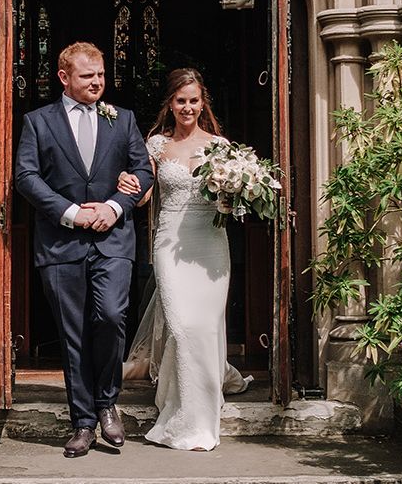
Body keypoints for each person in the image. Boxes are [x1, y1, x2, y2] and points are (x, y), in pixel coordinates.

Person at [15, 41, 154, 458]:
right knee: (72, 333)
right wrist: (73, 213)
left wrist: (115, 206)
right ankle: (83, 422)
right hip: (61, 242)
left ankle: (108, 402)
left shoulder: (123, 119)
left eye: (100, 75)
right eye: (87, 76)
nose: (97, 82)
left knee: (111, 317)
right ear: (64, 78)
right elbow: (26, 176)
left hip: (113, 241)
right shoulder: (38, 122)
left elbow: (144, 171)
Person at [117, 67, 252, 451]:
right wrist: (130, 185)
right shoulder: (156, 145)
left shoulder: (221, 146)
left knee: (205, 327)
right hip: (170, 242)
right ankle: (183, 413)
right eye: (181, 101)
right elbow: (145, 194)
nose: (187, 107)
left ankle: (201, 415)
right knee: (181, 325)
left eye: (194, 100)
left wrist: (235, 195)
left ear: (202, 102)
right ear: (170, 104)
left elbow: (230, 202)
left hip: (210, 243)